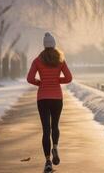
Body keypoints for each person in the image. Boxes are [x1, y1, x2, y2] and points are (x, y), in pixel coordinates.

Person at [26, 32, 72, 172]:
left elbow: (29, 78)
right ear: (54, 44)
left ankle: (47, 161)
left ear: (44, 45)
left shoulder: (37, 60)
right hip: (57, 98)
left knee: (46, 130)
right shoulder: (60, 60)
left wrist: (40, 83)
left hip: (43, 98)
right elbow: (69, 78)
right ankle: (55, 148)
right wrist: (58, 80)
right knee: (55, 125)